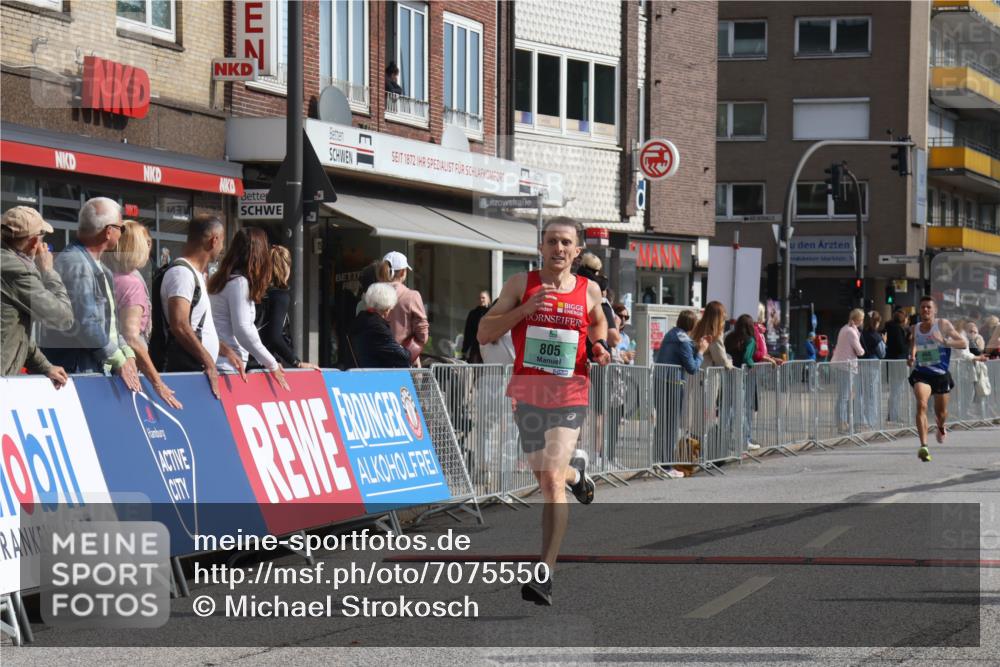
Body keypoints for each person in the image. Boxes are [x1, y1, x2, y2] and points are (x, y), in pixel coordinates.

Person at [477, 216, 611, 606]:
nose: (558, 248)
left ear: (577, 250)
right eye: (551, 241)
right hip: (528, 394)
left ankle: (544, 573)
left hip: (570, 392)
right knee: (548, 476)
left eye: (566, 242)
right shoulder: (521, 284)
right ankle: (576, 474)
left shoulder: (588, 290)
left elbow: (600, 323)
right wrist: (525, 309)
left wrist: (599, 346)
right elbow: (485, 332)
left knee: (550, 481)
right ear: (541, 247)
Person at [40, 197, 141, 393]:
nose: (122, 233)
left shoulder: (100, 268)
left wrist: (125, 352)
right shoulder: (76, 264)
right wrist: (119, 359)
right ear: (108, 231)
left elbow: (108, 324)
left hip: (91, 369)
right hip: (77, 373)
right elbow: (85, 323)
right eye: (121, 228)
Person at [155, 214, 244, 399]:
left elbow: (195, 325)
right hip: (186, 372)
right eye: (222, 242)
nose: (222, 248)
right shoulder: (182, 274)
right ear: (214, 240)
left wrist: (223, 349)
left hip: (195, 370)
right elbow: (179, 325)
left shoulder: (194, 274)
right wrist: (209, 362)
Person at [107, 221, 182, 409]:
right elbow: (132, 338)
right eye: (145, 242)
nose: (149, 246)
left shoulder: (112, 275)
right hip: (127, 372)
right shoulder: (130, 283)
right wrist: (158, 383)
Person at [208, 228, 289, 391]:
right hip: (227, 367)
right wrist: (272, 364)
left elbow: (247, 329)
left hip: (222, 362)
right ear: (258, 254)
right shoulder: (239, 283)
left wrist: (266, 360)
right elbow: (243, 329)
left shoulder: (223, 280)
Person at [1, 206, 73, 387]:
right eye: (42, 238)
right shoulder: (18, 271)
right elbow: (63, 318)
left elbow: (15, 333)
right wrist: (48, 271)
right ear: (33, 242)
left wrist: (45, 366)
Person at [908, 296, 969, 462]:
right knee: (921, 405)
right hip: (922, 373)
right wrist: (911, 356)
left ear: (934, 310)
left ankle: (941, 426)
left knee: (941, 413)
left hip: (941, 375)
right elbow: (914, 344)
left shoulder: (942, 324)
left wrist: (944, 341)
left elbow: (962, 343)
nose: (925, 310)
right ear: (919, 310)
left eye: (929, 307)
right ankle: (924, 446)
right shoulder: (915, 328)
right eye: (923, 307)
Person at [654, 309, 709, 473]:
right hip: (673, 383)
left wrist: (696, 346)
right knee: (671, 425)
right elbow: (692, 368)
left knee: (662, 424)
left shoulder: (671, 334)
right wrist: (701, 352)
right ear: (692, 325)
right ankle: (667, 465)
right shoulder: (683, 340)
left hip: (660, 381)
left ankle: (657, 461)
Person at [255, 245, 319, 370]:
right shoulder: (280, 296)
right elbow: (274, 337)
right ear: (286, 268)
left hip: (250, 361)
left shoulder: (257, 293)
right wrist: (296, 362)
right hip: (269, 364)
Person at [379, 251, 429, 366]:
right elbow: (422, 333)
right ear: (402, 272)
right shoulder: (411, 296)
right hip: (404, 361)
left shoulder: (373, 295)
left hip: (378, 361)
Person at [347, 283, 411, 368]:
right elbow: (403, 357)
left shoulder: (361, 319)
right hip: (378, 374)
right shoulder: (377, 327)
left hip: (363, 372)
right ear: (387, 308)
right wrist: (404, 349)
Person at [725, 314, 759, 451]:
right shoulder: (750, 340)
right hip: (742, 377)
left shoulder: (729, 337)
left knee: (727, 409)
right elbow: (747, 357)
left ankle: (725, 439)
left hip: (728, 375)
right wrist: (752, 365)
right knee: (742, 410)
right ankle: (745, 440)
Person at [830, 308, 866, 433]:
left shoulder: (844, 329)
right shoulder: (851, 331)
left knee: (843, 395)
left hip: (841, 364)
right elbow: (859, 350)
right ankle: (842, 423)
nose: (862, 322)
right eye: (862, 319)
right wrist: (863, 351)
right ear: (858, 319)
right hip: (847, 366)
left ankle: (842, 422)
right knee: (844, 396)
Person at [858, 311, 886, 429]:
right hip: (873, 365)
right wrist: (884, 341)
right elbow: (882, 353)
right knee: (872, 393)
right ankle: (872, 420)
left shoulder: (861, 334)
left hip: (861, 364)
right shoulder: (876, 336)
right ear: (877, 322)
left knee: (862, 393)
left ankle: (862, 419)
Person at [691, 301, 732, 369]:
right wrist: (729, 362)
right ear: (719, 317)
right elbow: (721, 360)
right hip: (707, 373)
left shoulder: (696, 327)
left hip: (694, 371)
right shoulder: (714, 334)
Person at [462, 291, 490, 363]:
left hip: (489, 346)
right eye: (479, 298)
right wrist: (465, 349)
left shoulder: (491, 312)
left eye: (483, 298)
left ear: (488, 299)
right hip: (476, 346)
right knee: (475, 367)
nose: (481, 300)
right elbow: (468, 332)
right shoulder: (473, 313)